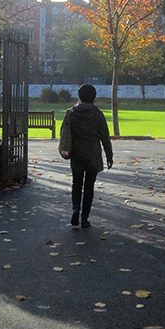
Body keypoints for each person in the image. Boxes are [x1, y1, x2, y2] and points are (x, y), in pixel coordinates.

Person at [61, 84, 113, 227]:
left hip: (76, 152)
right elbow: (104, 137)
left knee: (76, 183)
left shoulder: (72, 113)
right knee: (89, 186)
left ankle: (75, 207)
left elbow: (65, 132)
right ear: (94, 97)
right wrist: (109, 155)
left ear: (79, 96)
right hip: (92, 153)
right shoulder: (97, 114)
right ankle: (85, 218)